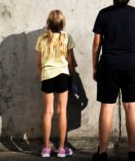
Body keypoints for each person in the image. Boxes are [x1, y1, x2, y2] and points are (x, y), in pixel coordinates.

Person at [92, 0, 135, 161]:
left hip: (108, 65)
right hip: (132, 65)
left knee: (107, 106)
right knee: (131, 106)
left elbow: (96, 43)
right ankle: (132, 151)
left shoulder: (103, 14)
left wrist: (95, 66)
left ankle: (102, 152)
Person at [35, 9, 77, 158]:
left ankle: (46, 148)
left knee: (48, 111)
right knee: (62, 111)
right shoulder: (67, 37)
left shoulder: (42, 39)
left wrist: (43, 75)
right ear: (62, 24)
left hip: (47, 75)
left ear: (48, 23)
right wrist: (72, 78)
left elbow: (39, 63)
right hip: (62, 75)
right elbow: (70, 62)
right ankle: (61, 149)